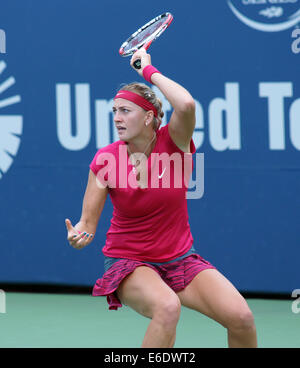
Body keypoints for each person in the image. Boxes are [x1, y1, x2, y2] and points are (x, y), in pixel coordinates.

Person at [65, 48, 257, 348]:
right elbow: (87, 222)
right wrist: (80, 234)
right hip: (128, 261)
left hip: (180, 260)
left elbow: (187, 104)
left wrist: (147, 70)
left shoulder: (175, 142)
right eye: (114, 111)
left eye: (125, 111)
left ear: (148, 117)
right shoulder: (105, 160)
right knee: (167, 308)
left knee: (241, 318)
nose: (117, 118)